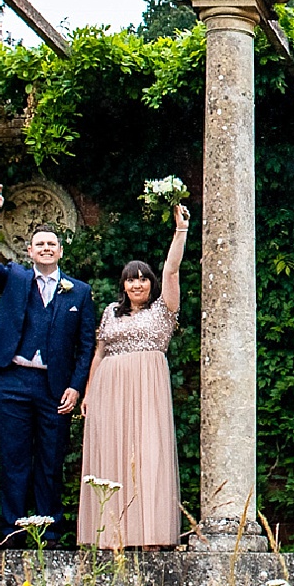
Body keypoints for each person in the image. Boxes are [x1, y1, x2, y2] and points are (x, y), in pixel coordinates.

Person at [0, 187, 97, 544]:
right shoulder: (14, 278)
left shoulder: (79, 292)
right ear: (29, 251)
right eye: (39, 244)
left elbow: (86, 345)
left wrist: (75, 385)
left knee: (50, 459)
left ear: (60, 251)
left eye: (51, 244)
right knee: (13, 457)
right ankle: (12, 529)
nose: (45, 248)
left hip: (54, 386)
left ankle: (51, 530)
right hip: (12, 381)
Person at [77, 205, 190, 550]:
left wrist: (180, 231)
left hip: (147, 387)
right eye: (130, 278)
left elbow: (172, 271)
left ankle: (150, 535)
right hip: (109, 387)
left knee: (147, 453)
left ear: (150, 283)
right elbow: (98, 353)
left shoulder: (163, 310)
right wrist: (88, 392)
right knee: (111, 455)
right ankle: (112, 535)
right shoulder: (111, 311)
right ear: (123, 285)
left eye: (142, 277)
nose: (136, 283)